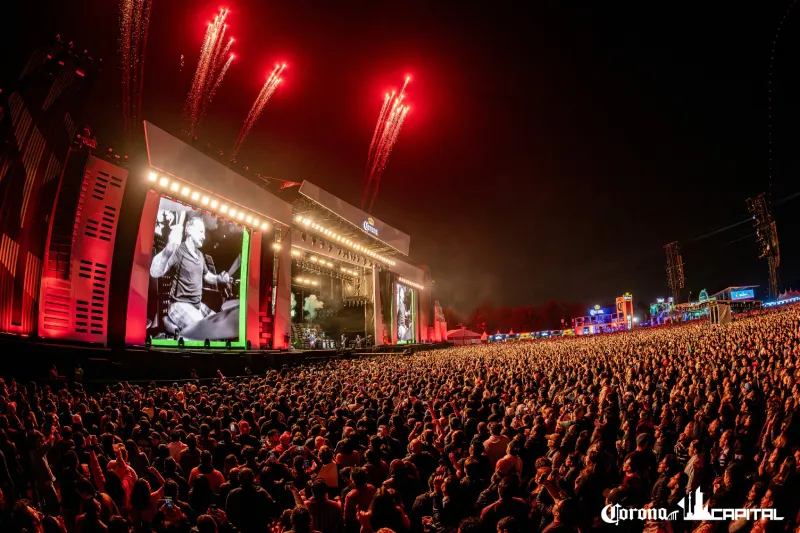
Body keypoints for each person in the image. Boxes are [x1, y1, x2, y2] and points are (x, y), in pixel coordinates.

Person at [149, 216, 233, 335]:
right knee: (204, 330)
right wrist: (168, 251)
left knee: (221, 326)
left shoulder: (200, 255)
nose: (204, 237)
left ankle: (170, 324)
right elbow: (155, 272)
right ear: (188, 230)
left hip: (197, 306)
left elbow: (207, 276)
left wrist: (219, 278)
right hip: (178, 305)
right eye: (200, 232)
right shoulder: (178, 250)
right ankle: (168, 322)